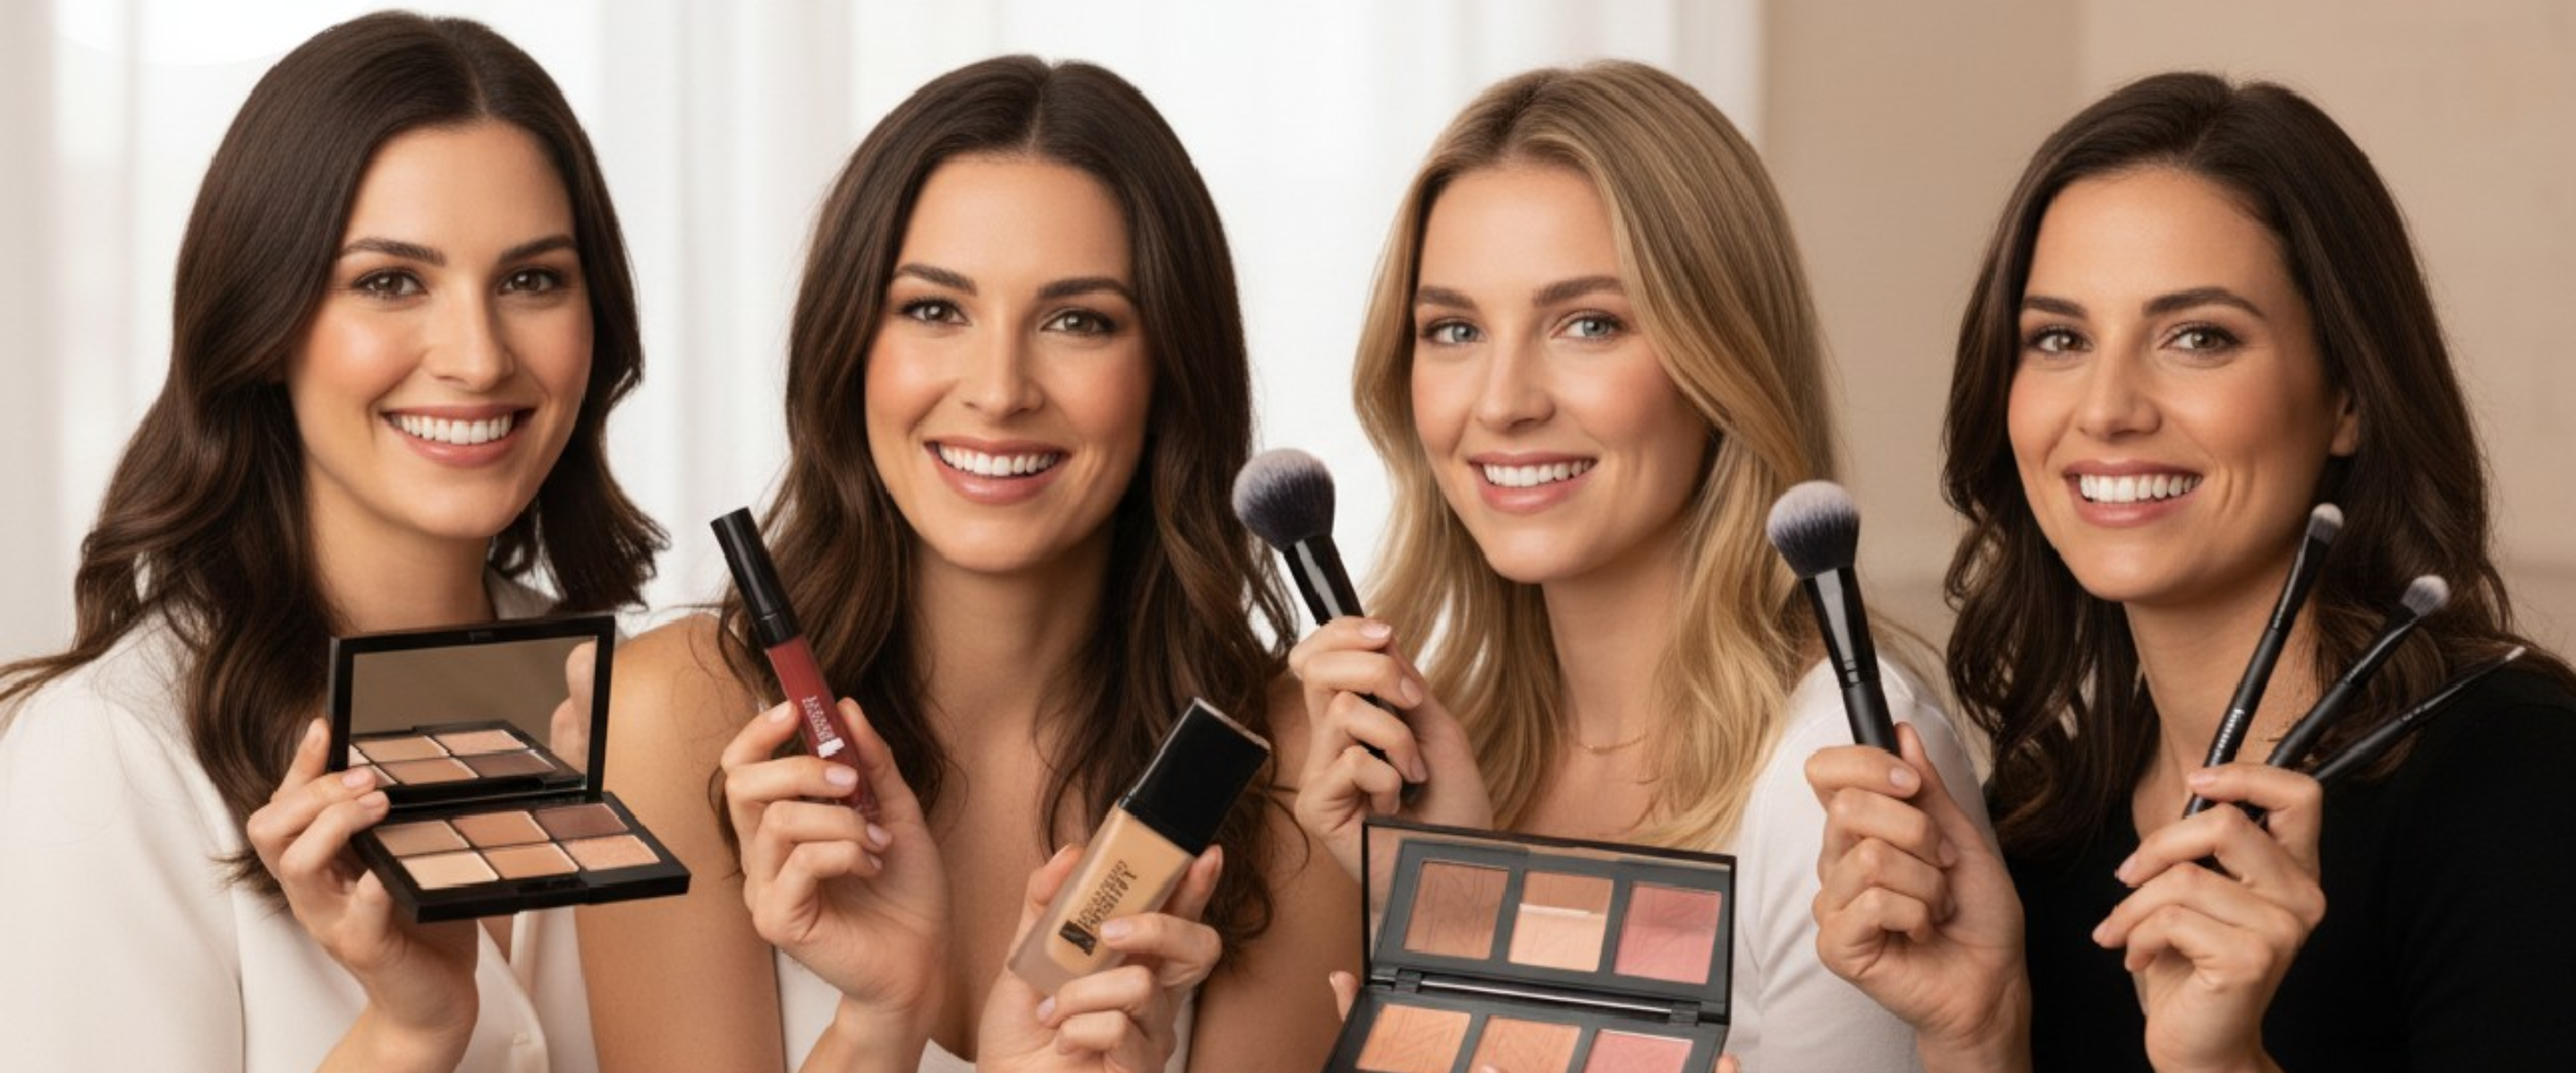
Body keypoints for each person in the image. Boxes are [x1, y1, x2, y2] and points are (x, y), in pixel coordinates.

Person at [579, 56, 1354, 1073]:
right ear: (850, 344)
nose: (998, 390)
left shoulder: (1291, 761)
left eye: (1079, 321)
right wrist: (876, 1024)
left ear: (1171, 372)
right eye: (935, 310)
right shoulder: (670, 721)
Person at [1805, 72, 2576, 1072]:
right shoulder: (2040, 829)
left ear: (2349, 395)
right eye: (2060, 339)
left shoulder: (2520, 787)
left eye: (2197, 337)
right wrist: (1977, 1030)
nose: (2108, 408)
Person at [1292, 60, 1986, 1071]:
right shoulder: (1454, 762)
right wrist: (1443, 895)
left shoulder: (1838, 779)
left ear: (1722, 357)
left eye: (1588, 324)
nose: (1502, 401)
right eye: (1453, 329)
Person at [0, 12, 663, 1071]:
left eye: (532, 279)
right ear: (265, 321)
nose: (478, 356)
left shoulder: (651, 707)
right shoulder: (110, 757)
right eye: (390, 281)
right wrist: (410, 1031)